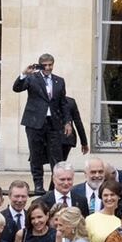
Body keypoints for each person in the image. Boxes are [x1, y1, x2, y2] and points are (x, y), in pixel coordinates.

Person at [13, 53, 72, 194]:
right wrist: (23, 74)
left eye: (50, 65)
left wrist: (67, 122)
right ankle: (38, 184)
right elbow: (16, 88)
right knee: (36, 154)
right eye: (44, 65)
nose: (47, 68)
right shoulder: (32, 78)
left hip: (54, 123)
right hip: (34, 122)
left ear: (53, 64)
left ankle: (54, 186)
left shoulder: (59, 81)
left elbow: (63, 103)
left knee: (56, 155)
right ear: (40, 65)